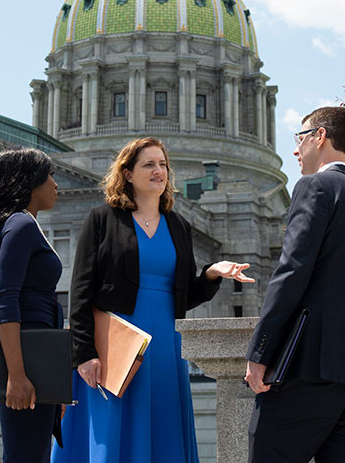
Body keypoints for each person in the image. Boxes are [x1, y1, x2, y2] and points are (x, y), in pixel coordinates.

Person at [53, 137, 254, 463]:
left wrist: (212, 273)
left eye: (163, 165)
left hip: (164, 346)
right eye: (149, 164)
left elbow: (185, 295)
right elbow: (80, 292)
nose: (159, 171)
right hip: (115, 344)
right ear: (128, 173)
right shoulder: (102, 219)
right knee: (112, 430)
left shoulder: (179, 226)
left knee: (162, 429)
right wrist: (84, 354)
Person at [244, 106, 345, 462]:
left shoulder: (314, 186)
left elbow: (292, 270)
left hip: (310, 364)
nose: (295, 150)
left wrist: (259, 352)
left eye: (300, 138)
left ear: (320, 137)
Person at [0, 147, 63, 463]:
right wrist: (17, 375)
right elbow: (6, 300)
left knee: (32, 454)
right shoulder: (20, 224)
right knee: (26, 456)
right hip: (27, 356)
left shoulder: (23, 224)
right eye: (48, 175)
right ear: (28, 182)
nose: (55, 184)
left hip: (38, 355)